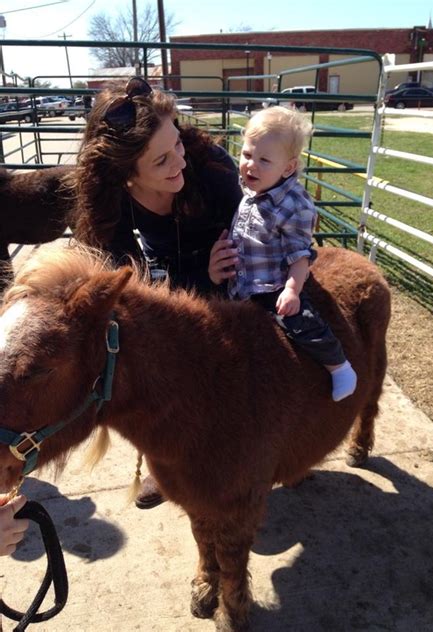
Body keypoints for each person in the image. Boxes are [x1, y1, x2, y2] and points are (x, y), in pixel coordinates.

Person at [68, 77, 243, 509]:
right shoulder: (109, 207)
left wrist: (222, 273)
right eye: (162, 159)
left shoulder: (214, 170)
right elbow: (132, 288)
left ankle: (238, 442)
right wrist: (194, 276)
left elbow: (252, 242)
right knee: (145, 354)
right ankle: (160, 458)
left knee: (237, 361)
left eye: (178, 142)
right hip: (168, 276)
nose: (179, 162)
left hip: (228, 271)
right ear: (126, 175)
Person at [225, 106, 357, 402]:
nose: (250, 166)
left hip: (273, 284)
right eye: (247, 155)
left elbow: (300, 255)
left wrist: (292, 290)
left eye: (263, 160)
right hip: (242, 282)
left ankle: (338, 365)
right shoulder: (253, 188)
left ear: (288, 168)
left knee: (299, 322)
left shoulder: (294, 205)